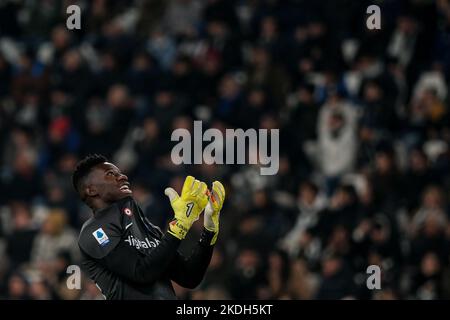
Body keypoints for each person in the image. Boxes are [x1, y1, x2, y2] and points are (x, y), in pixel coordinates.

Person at [72, 154, 225, 299]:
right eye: (110, 174)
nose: (123, 176)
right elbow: (141, 273)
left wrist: (209, 230)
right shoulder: (93, 231)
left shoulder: (149, 230)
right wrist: (179, 226)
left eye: (120, 173)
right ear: (91, 190)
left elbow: (189, 277)